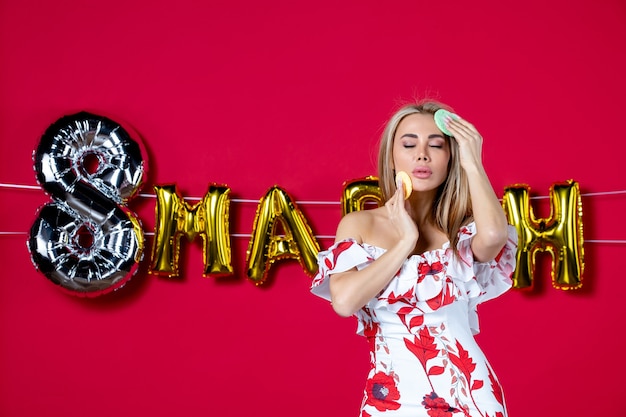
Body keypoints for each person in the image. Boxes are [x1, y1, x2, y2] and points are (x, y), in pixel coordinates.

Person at [311, 100, 518, 416]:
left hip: (470, 396)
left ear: (451, 159)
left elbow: (493, 238)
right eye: (409, 144)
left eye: (437, 145)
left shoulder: (461, 229)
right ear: (391, 158)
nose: (422, 154)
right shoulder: (359, 224)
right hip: (390, 397)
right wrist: (405, 241)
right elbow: (344, 302)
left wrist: (473, 161)